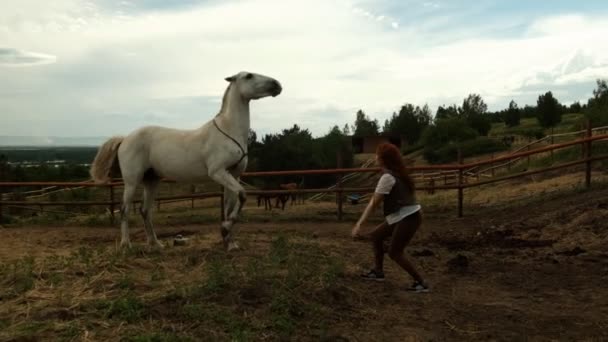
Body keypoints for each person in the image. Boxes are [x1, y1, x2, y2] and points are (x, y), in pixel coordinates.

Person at [351, 143, 429, 292]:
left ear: (383, 159)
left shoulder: (388, 177)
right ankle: (378, 272)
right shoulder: (398, 174)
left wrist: (359, 224)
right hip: (404, 216)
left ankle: (421, 283)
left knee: (395, 252)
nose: (375, 157)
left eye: (377, 155)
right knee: (376, 236)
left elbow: (373, 203)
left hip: (408, 217)